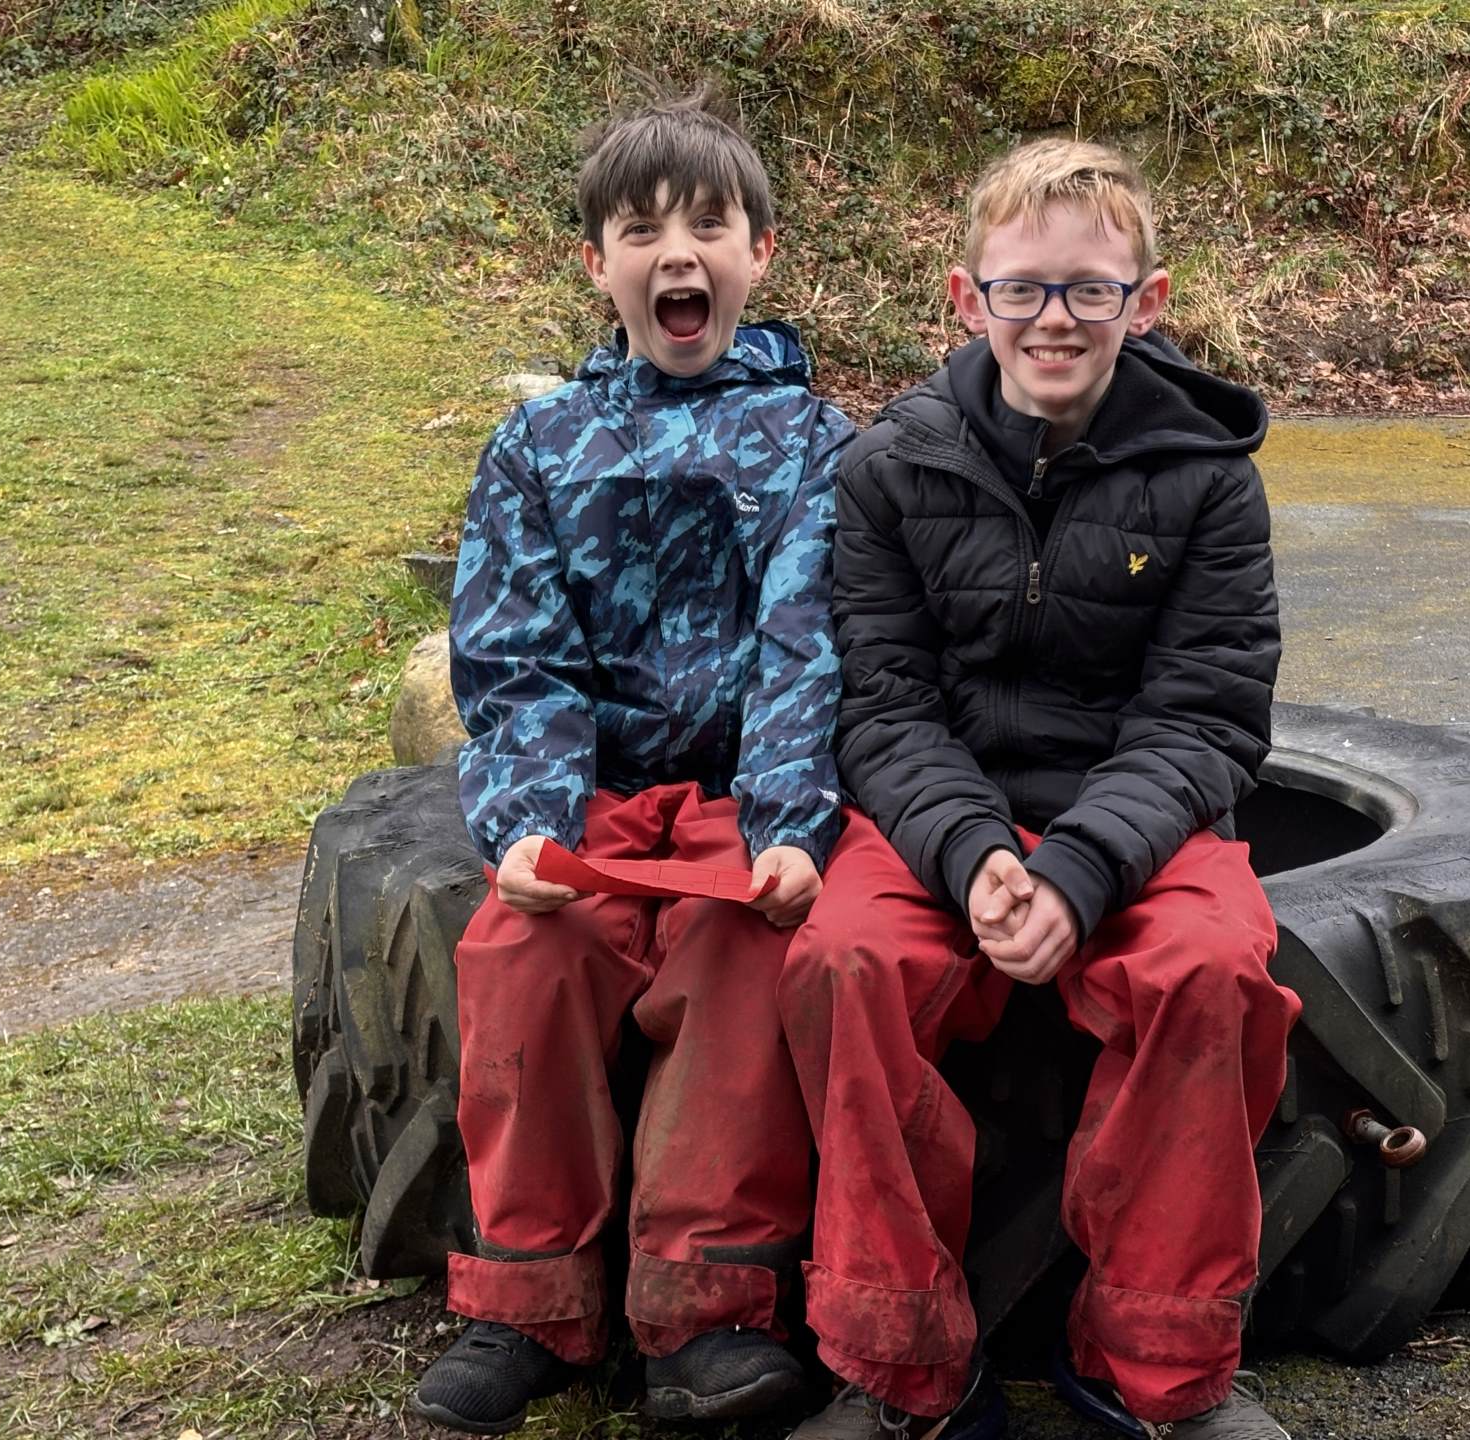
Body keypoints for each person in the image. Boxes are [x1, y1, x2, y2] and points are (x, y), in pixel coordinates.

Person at [778, 138, 1302, 1440]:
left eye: (1089, 289)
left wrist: (1076, 870)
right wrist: (970, 854)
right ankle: (905, 1372)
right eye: (1022, 288)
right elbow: (880, 702)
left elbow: (1207, 714)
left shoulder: (1209, 479)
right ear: (969, 299)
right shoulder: (888, 468)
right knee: (843, 962)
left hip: (1137, 822)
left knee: (1212, 975)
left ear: (1148, 301)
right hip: (938, 817)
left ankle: (1152, 1369)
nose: (1054, 318)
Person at [411, 86, 854, 1436]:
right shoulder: (539, 446)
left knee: (742, 958)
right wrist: (531, 823)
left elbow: (808, 647)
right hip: (593, 795)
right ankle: (528, 1305)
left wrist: (790, 828)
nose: (679, 254)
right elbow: (516, 657)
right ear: (596, 262)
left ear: (759, 253)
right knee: (522, 953)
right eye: (643, 230)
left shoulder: (816, 443)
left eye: (709, 226)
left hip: (736, 798)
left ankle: (707, 1314)